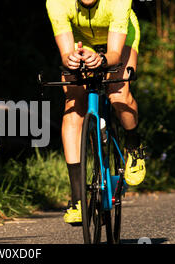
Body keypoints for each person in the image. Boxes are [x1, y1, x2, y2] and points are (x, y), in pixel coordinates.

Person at [46, 0, 146, 225]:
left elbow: (113, 54)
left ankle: (133, 143)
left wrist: (101, 60)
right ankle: (77, 199)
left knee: (118, 94)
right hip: (85, 43)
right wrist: (70, 58)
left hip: (119, 42)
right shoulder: (56, 2)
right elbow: (65, 53)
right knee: (73, 101)